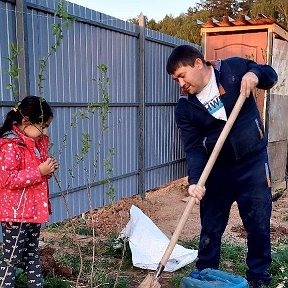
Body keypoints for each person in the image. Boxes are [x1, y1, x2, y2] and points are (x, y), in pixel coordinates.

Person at [166, 45, 278, 288]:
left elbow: (271, 75)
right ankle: (205, 274)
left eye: (181, 76)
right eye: (176, 80)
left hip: (253, 165)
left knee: (258, 224)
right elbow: (193, 147)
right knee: (211, 229)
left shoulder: (234, 70)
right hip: (216, 171)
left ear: (197, 63)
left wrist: (255, 74)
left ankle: (259, 278)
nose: (180, 84)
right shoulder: (185, 107)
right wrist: (195, 181)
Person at [0, 96, 58, 287]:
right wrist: (39, 171)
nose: (45, 131)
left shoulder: (34, 144)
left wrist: (46, 171)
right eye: (44, 125)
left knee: (32, 255)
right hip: (16, 214)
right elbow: (6, 179)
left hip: (32, 212)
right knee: (11, 260)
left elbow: (34, 176)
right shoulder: (11, 146)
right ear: (26, 121)